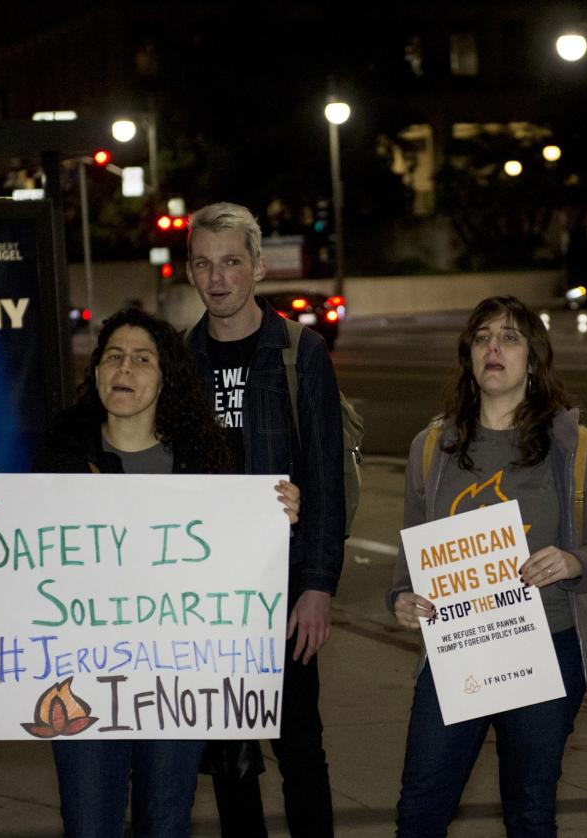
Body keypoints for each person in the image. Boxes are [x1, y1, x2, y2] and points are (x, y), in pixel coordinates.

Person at [0, 307, 300, 838]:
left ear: (165, 376)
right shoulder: (60, 461)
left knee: (166, 823)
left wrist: (277, 516)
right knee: (89, 824)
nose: (124, 369)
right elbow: (18, 566)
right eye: (113, 357)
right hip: (79, 681)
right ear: (97, 372)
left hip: (177, 683)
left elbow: (240, 570)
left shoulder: (207, 466)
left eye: (141, 359)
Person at [388, 295, 587, 837]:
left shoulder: (575, 448)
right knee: (420, 808)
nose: (494, 347)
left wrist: (571, 562)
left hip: (546, 647)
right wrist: (401, 598)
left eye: (510, 337)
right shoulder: (432, 448)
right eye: (482, 337)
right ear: (469, 357)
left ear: (533, 359)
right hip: (457, 652)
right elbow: (410, 559)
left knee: (529, 812)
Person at [184, 202, 344, 837]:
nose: (217, 277)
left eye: (230, 262)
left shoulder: (299, 354)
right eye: (203, 263)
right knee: (230, 760)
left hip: (284, 590)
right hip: (204, 596)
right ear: (189, 271)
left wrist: (318, 588)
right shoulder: (176, 361)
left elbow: (326, 478)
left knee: (300, 748)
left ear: (258, 266)